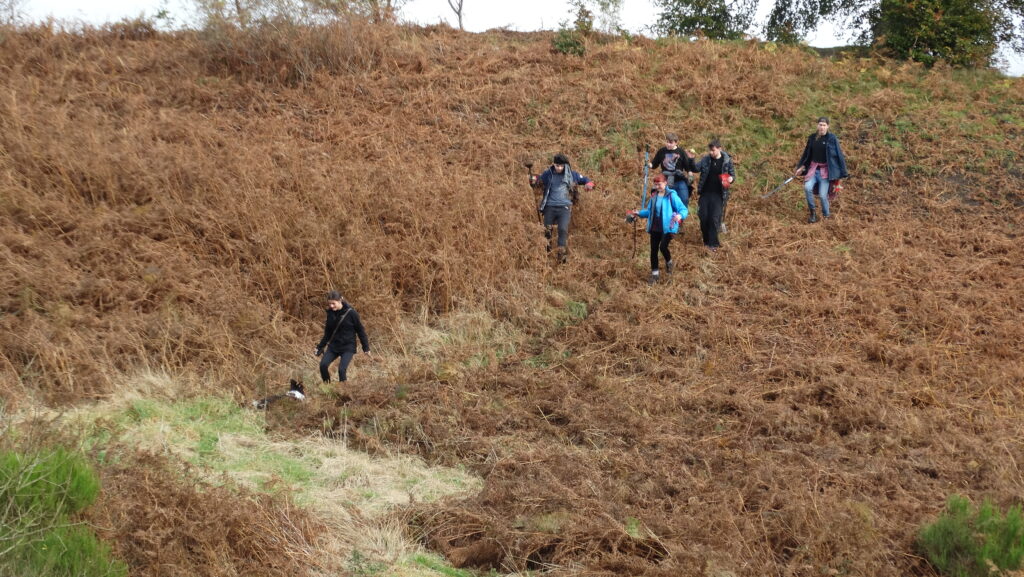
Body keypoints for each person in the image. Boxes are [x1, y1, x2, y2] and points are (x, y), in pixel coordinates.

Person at [530, 153, 595, 262]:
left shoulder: (572, 175)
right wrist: (533, 179)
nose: (559, 168)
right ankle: (546, 254)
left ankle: (561, 256)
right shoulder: (548, 174)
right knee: (547, 231)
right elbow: (538, 181)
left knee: (562, 229)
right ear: (553, 164)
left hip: (564, 207)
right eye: (557, 165)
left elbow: (585, 180)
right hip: (549, 206)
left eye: (561, 166)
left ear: (565, 165)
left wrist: (589, 184)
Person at [627, 174, 688, 284]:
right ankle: (655, 275)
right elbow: (649, 212)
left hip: (668, 227)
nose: (657, 187)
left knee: (663, 247)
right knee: (653, 250)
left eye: (659, 184)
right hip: (655, 227)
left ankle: (669, 262)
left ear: (665, 183)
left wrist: (680, 215)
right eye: (655, 184)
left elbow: (683, 209)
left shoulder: (671, 196)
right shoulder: (654, 196)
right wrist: (638, 213)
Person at [794, 116, 849, 223]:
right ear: (817, 126)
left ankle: (826, 215)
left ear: (828, 126)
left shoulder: (832, 138)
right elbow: (807, 155)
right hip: (813, 170)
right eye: (820, 125)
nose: (822, 127)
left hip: (825, 172)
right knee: (807, 187)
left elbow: (839, 155)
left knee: (823, 196)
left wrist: (843, 172)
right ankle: (813, 213)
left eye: (824, 125)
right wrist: (801, 167)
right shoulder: (812, 138)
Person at [688, 139, 735, 253]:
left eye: (713, 150)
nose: (711, 152)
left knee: (714, 218)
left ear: (719, 149)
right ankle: (706, 241)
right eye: (710, 150)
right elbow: (695, 168)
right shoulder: (706, 159)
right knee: (703, 217)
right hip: (705, 193)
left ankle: (713, 244)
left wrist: (730, 179)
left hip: (719, 194)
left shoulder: (726, 161)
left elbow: (732, 175)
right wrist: (691, 159)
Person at [315, 291, 371, 384]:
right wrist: (320, 347)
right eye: (329, 304)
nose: (331, 306)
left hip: (348, 346)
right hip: (334, 346)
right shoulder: (330, 314)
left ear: (340, 300)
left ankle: (344, 390)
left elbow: (360, 331)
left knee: (341, 370)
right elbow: (328, 333)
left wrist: (366, 348)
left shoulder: (352, 313)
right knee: (323, 365)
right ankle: (327, 387)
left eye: (333, 303)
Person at [648, 133, 693, 205]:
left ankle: (682, 212)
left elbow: (687, 166)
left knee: (684, 199)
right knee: (666, 201)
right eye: (667, 142)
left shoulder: (681, 152)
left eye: (671, 143)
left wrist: (690, 173)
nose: (668, 144)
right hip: (666, 181)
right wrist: (649, 165)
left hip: (679, 180)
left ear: (676, 143)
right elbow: (654, 164)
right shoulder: (661, 151)